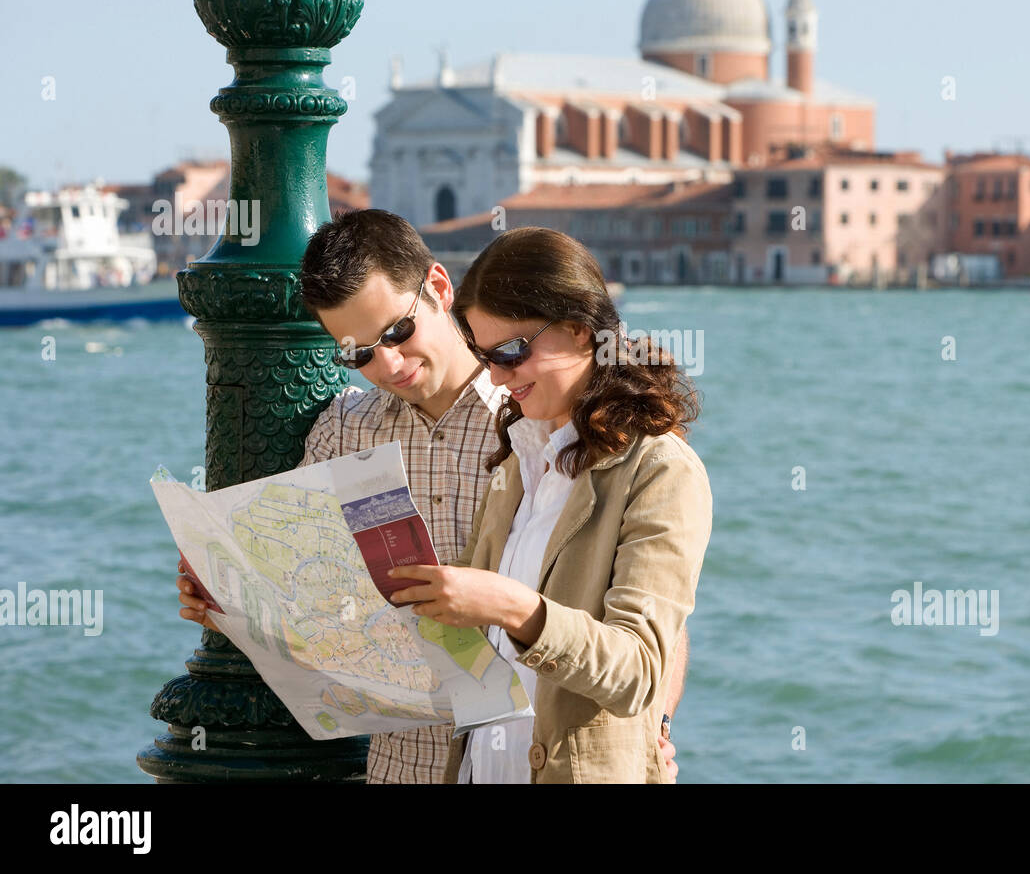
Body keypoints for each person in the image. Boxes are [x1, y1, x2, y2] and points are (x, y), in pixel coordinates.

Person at [176, 209, 690, 782]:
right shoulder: (361, 430)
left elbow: (652, 633)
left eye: (397, 332)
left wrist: (651, 733)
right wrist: (236, 598)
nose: (387, 363)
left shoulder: (532, 423)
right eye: (358, 353)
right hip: (415, 765)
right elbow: (312, 591)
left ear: (438, 288)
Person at [388, 226, 711, 783]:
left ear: (580, 331)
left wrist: (513, 608)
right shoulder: (517, 461)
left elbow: (639, 673)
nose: (497, 376)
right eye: (484, 355)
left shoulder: (661, 470)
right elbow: (478, 658)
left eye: (512, 351)